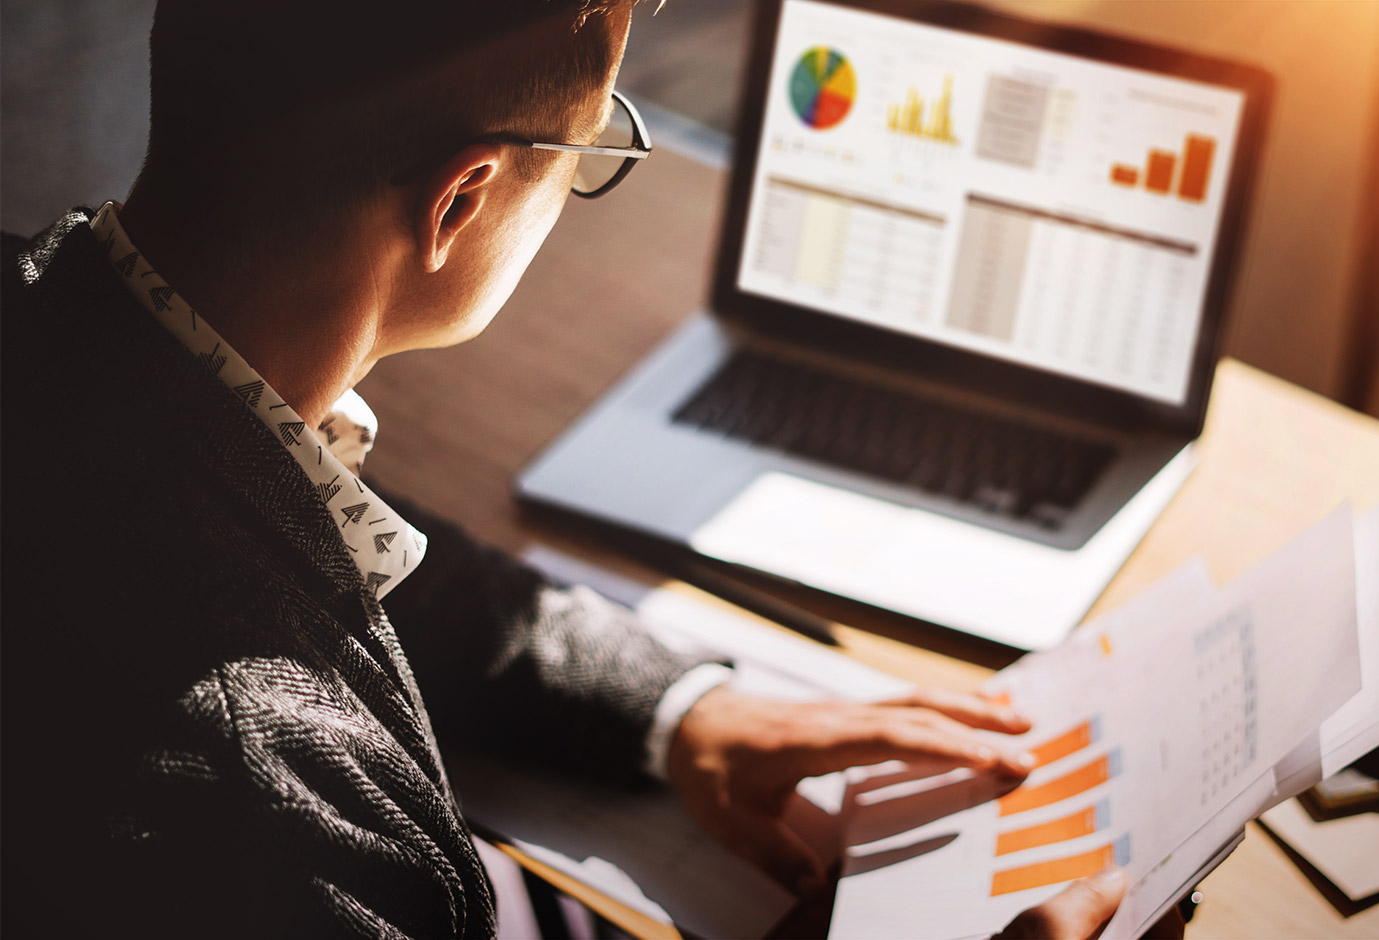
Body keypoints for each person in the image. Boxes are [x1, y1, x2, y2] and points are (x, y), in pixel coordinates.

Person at [0, 1, 1148, 936]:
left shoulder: (62, 330)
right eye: (590, 150)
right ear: (461, 200)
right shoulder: (285, 816)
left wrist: (679, 707)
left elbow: (309, 542)